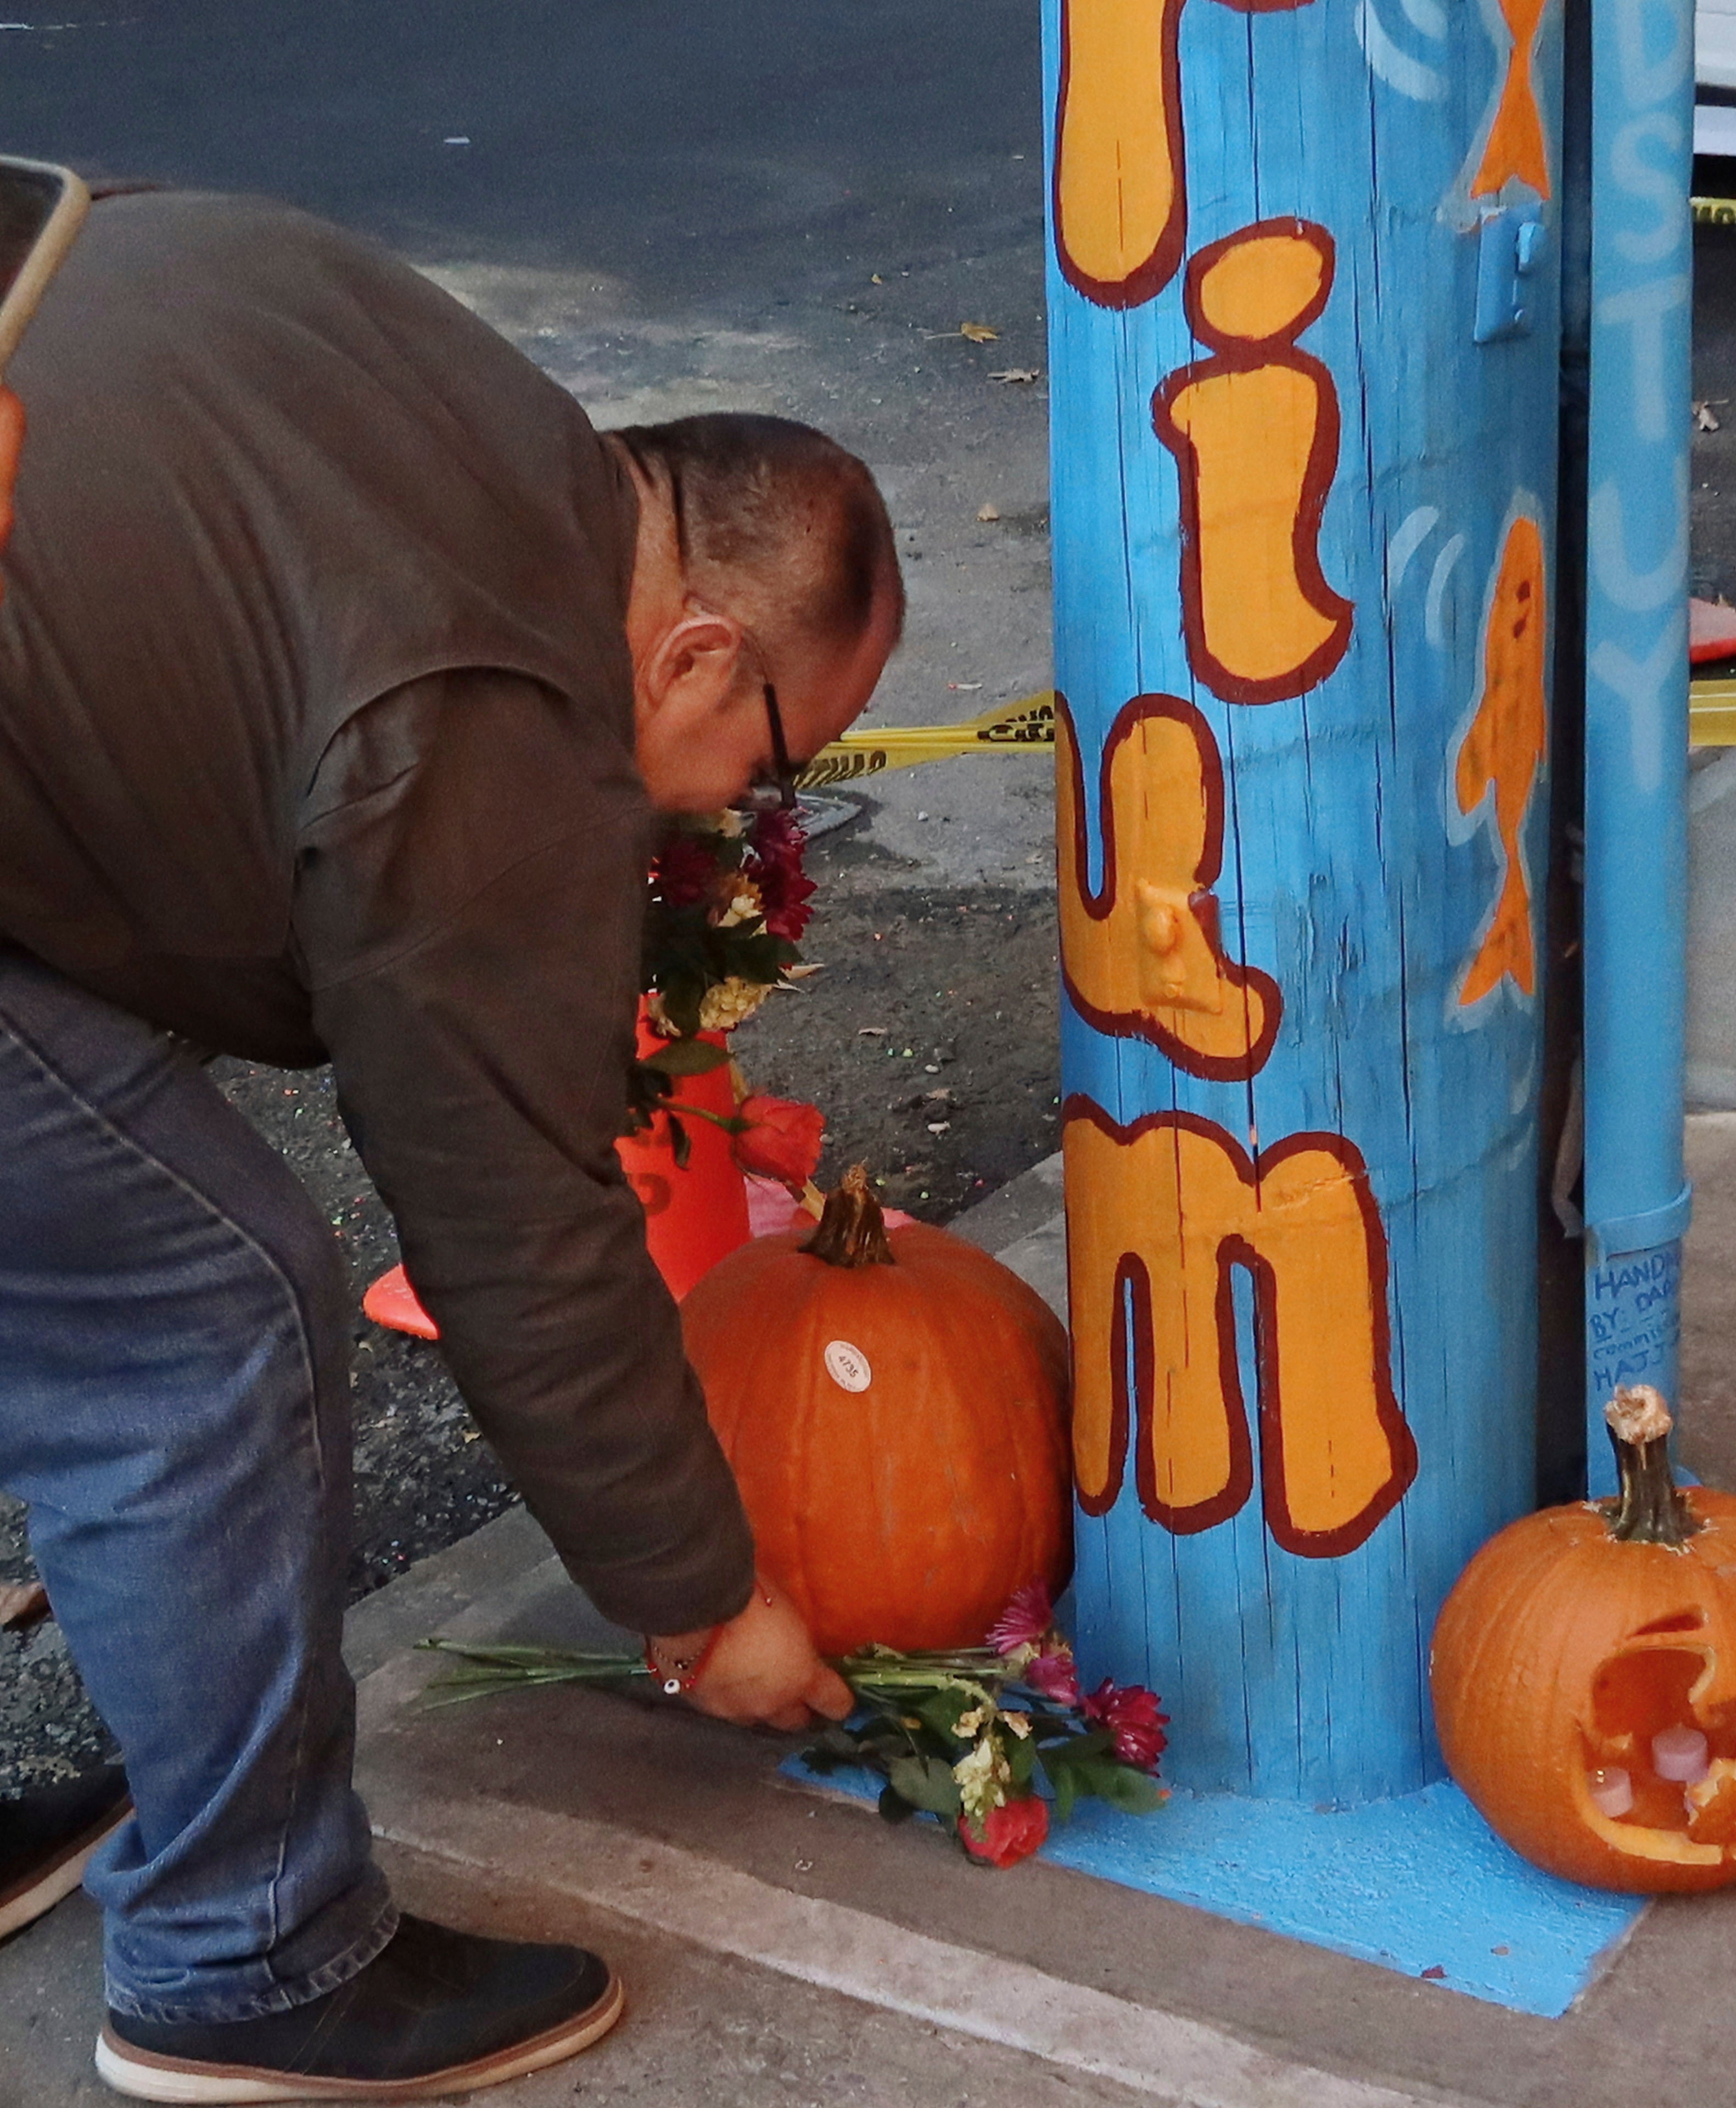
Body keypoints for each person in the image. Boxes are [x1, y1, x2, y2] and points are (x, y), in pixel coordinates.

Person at [0, 189, 884, 2100]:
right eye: (776, 766)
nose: (734, 823)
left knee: (49, 1247)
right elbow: (513, 1230)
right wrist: (702, 1595)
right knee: (195, 1307)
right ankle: (248, 1964)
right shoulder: (486, 712)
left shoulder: (457, 406)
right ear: (701, 654)